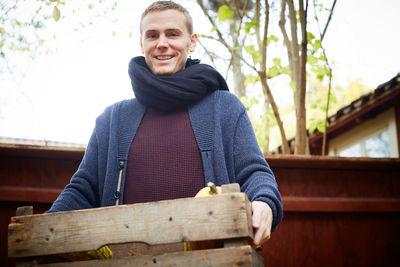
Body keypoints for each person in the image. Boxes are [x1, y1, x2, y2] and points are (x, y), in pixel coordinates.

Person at [47, 0, 282, 246]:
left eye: (172, 34)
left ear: (191, 42)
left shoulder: (224, 108)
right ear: (142, 44)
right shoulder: (112, 120)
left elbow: (255, 173)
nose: (162, 43)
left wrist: (264, 202)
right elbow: (83, 189)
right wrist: (45, 230)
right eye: (152, 35)